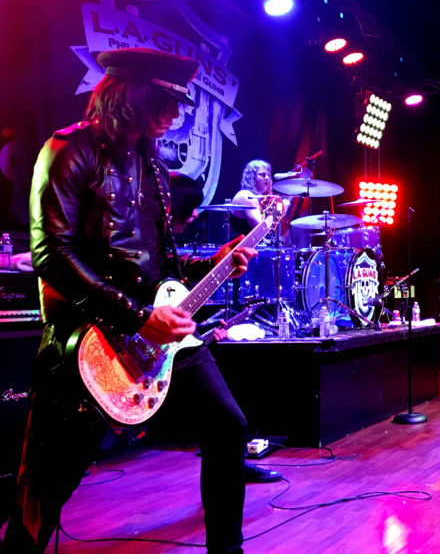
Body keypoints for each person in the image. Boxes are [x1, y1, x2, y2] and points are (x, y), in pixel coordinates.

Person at [2, 48, 257, 553]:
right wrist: (138, 317)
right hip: (91, 339)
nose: (176, 115)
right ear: (131, 95)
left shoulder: (154, 167)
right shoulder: (68, 150)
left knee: (228, 426)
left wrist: (216, 265)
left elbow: (163, 269)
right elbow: (52, 254)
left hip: (159, 336)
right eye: (166, 101)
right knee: (47, 482)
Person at [168, 172, 282, 484]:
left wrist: (217, 262)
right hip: (137, 342)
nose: (194, 214)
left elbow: (175, 269)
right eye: (190, 206)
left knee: (228, 423)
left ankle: (227, 527)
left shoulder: (161, 236)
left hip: (178, 345)